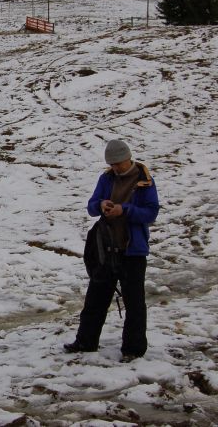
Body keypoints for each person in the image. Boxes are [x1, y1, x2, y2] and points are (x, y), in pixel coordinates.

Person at [64, 139, 160, 362]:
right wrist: (100, 205)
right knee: (95, 299)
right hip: (106, 249)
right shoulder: (106, 178)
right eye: (112, 164)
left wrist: (124, 210)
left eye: (118, 163)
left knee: (135, 304)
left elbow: (151, 213)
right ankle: (85, 342)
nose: (115, 167)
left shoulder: (145, 181)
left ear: (128, 158)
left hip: (133, 251)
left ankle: (133, 349)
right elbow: (91, 206)